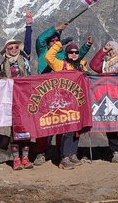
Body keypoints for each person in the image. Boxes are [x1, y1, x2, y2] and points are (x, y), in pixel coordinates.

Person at [34, 23, 93, 166]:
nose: (73, 54)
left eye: (56, 40)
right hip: (51, 95)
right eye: (52, 41)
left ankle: (70, 154)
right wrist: (59, 39)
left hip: (74, 100)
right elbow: (47, 52)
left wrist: (86, 46)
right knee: (49, 123)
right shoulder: (53, 57)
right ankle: (52, 155)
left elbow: (78, 56)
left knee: (73, 127)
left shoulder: (77, 64)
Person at [0, 7, 33, 171]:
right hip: (11, 101)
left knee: (27, 129)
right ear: (6, 50)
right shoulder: (2, 65)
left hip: (26, 98)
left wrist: (28, 23)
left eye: (15, 47)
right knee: (14, 130)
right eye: (10, 48)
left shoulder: (24, 58)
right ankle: (16, 159)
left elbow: (29, 40)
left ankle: (26, 157)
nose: (13, 49)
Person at [45, 40, 89, 170]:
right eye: (71, 52)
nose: (74, 54)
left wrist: (86, 76)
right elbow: (48, 57)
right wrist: (58, 44)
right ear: (67, 53)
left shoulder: (82, 66)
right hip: (65, 101)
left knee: (78, 129)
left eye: (76, 52)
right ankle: (64, 158)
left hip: (80, 101)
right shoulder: (60, 65)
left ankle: (73, 154)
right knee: (68, 130)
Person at [90, 41, 118, 163]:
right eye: (109, 51)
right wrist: (103, 50)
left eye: (112, 49)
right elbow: (93, 65)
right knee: (111, 126)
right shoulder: (104, 64)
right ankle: (115, 151)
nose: (111, 52)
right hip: (108, 98)